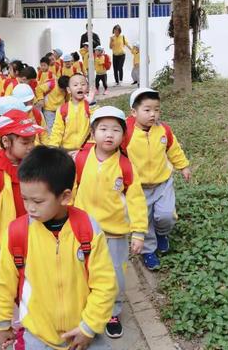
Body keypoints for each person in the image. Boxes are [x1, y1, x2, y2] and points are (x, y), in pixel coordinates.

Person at [0, 146, 117, 350]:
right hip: (37, 337)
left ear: (65, 197)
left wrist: (89, 326)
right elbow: (4, 281)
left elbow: (105, 283)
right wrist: (0, 322)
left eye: (38, 201)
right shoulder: (17, 233)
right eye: (25, 199)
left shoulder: (87, 229)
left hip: (83, 334)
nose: (30, 207)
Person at [74, 106, 148, 339]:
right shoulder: (81, 158)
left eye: (116, 130)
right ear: (93, 132)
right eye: (103, 129)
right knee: (82, 270)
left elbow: (136, 200)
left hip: (115, 234)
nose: (109, 134)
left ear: (123, 135)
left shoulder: (125, 165)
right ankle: (86, 307)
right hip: (83, 230)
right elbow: (70, 190)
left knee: (115, 274)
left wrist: (138, 232)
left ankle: (112, 312)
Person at [126, 88, 191, 271]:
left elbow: (174, 150)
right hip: (138, 188)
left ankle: (162, 233)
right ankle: (148, 251)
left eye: (156, 109)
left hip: (163, 183)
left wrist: (183, 166)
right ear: (134, 112)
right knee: (144, 220)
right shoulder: (126, 132)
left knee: (166, 215)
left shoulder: (163, 131)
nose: (152, 114)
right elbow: (116, 153)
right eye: (147, 110)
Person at [0, 110, 45, 257]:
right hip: (6, 247)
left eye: (33, 140)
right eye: (25, 142)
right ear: (6, 142)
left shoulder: (37, 165)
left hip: (37, 241)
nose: (31, 146)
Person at [49, 73, 95, 151]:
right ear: (69, 90)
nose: (80, 87)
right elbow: (57, 130)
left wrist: (91, 104)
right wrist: (53, 147)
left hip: (86, 150)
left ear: (87, 88)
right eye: (75, 85)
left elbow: (96, 122)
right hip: (67, 150)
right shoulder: (62, 109)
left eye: (83, 84)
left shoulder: (89, 107)